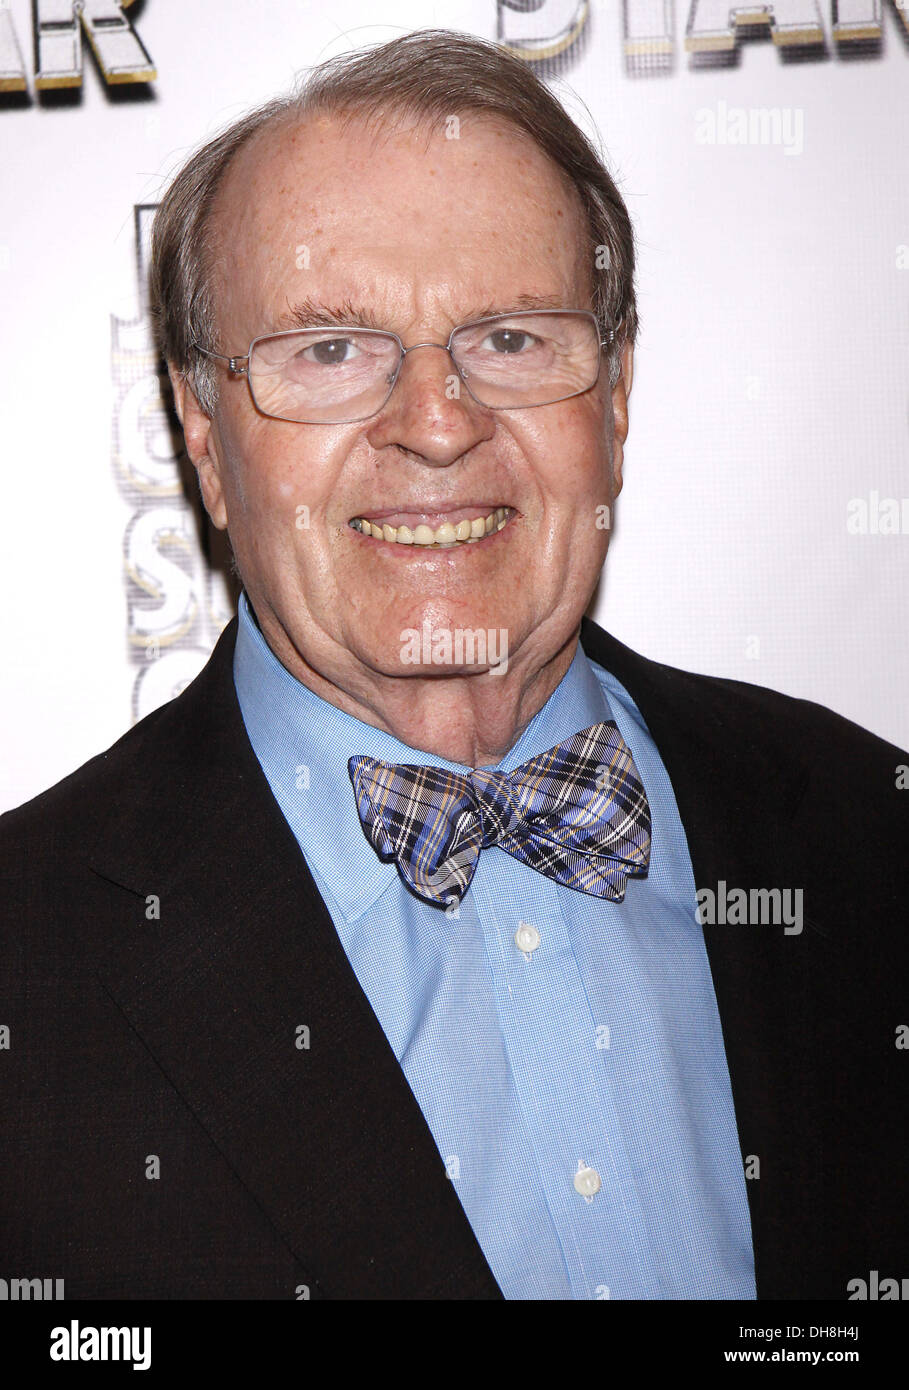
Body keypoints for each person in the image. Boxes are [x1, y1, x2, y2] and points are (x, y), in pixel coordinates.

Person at [1, 29, 906, 1302]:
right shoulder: (24, 967)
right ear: (203, 436)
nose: (436, 424)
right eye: (330, 350)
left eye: (515, 338)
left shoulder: (871, 826)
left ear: (618, 393)